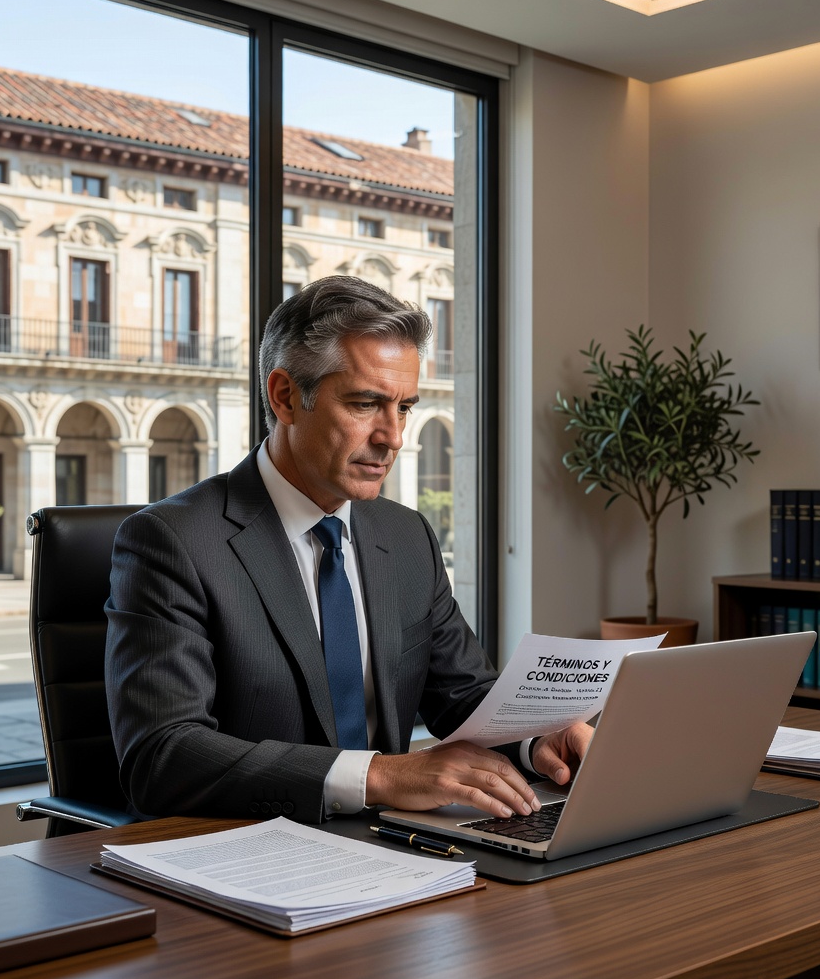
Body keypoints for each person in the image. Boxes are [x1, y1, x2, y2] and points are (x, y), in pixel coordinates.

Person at [105, 275, 592, 824]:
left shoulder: (406, 536)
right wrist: (381, 776)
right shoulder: (173, 542)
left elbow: (462, 694)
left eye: (404, 407)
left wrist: (536, 736)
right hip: (246, 855)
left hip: (395, 847)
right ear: (285, 396)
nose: (394, 437)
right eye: (366, 404)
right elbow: (163, 756)